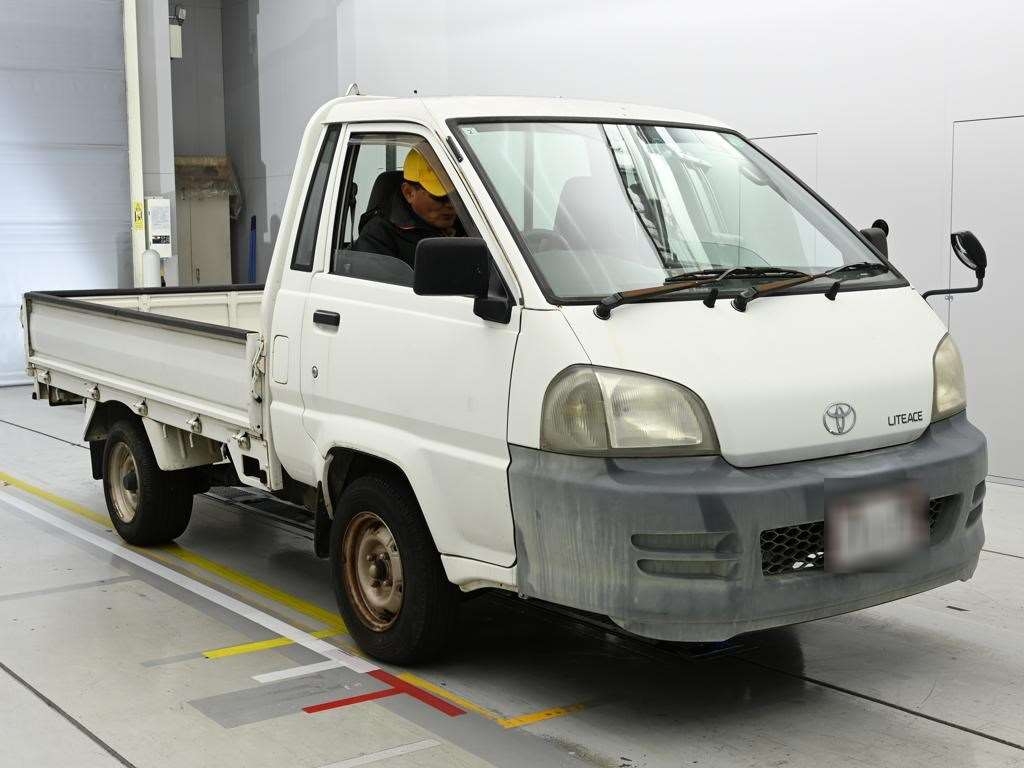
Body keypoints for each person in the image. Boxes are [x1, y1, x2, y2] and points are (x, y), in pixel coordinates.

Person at [353, 148, 464, 267]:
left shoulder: (469, 221)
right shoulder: (378, 236)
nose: (451, 204)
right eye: (441, 197)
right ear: (409, 192)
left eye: (457, 196)